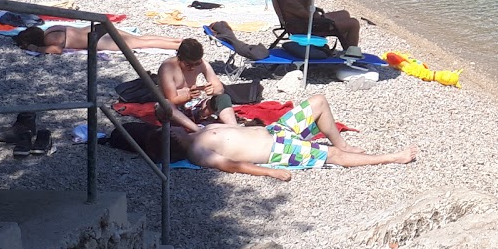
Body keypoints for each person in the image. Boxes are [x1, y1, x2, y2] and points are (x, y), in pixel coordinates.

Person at [177, 91, 417, 178]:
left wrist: (211, 100)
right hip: (278, 150)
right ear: (171, 141)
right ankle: (392, 157)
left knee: (319, 101)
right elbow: (231, 166)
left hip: (276, 130)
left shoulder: (201, 130)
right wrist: (270, 171)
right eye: (166, 131)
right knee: (331, 155)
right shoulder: (197, 152)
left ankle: (343, 143)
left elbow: (223, 104)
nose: (170, 128)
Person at [157, 39, 237, 130]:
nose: (193, 67)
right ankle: (197, 130)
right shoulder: (168, 68)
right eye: (189, 64)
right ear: (179, 57)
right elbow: (172, 99)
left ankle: (234, 128)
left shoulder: (202, 64)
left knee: (223, 98)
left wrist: (212, 90)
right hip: (174, 111)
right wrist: (188, 96)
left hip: (193, 106)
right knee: (166, 105)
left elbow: (220, 88)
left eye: (197, 63)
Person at [14, 25, 184, 54]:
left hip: (98, 40)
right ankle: (176, 40)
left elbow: (56, 50)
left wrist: (34, 49)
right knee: (139, 38)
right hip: (96, 29)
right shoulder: (51, 29)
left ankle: (177, 47)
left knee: (141, 44)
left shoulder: (51, 39)